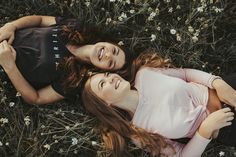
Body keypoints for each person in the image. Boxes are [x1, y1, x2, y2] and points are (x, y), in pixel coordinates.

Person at [82, 52, 236, 157]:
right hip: (227, 128)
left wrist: (217, 83)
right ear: (105, 104)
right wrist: (205, 130)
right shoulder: (138, 133)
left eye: (107, 75)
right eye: (102, 84)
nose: (110, 79)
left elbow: (186, 74)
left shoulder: (145, 74)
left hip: (228, 89)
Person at [0, 15, 130, 105]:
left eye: (111, 63)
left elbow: (36, 98)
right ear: (109, 43)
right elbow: (39, 20)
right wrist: (11, 26)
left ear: (104, 70)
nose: (108, 55)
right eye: (114, 51)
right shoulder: (78, 27)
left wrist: (9, 66)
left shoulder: (75, 80)